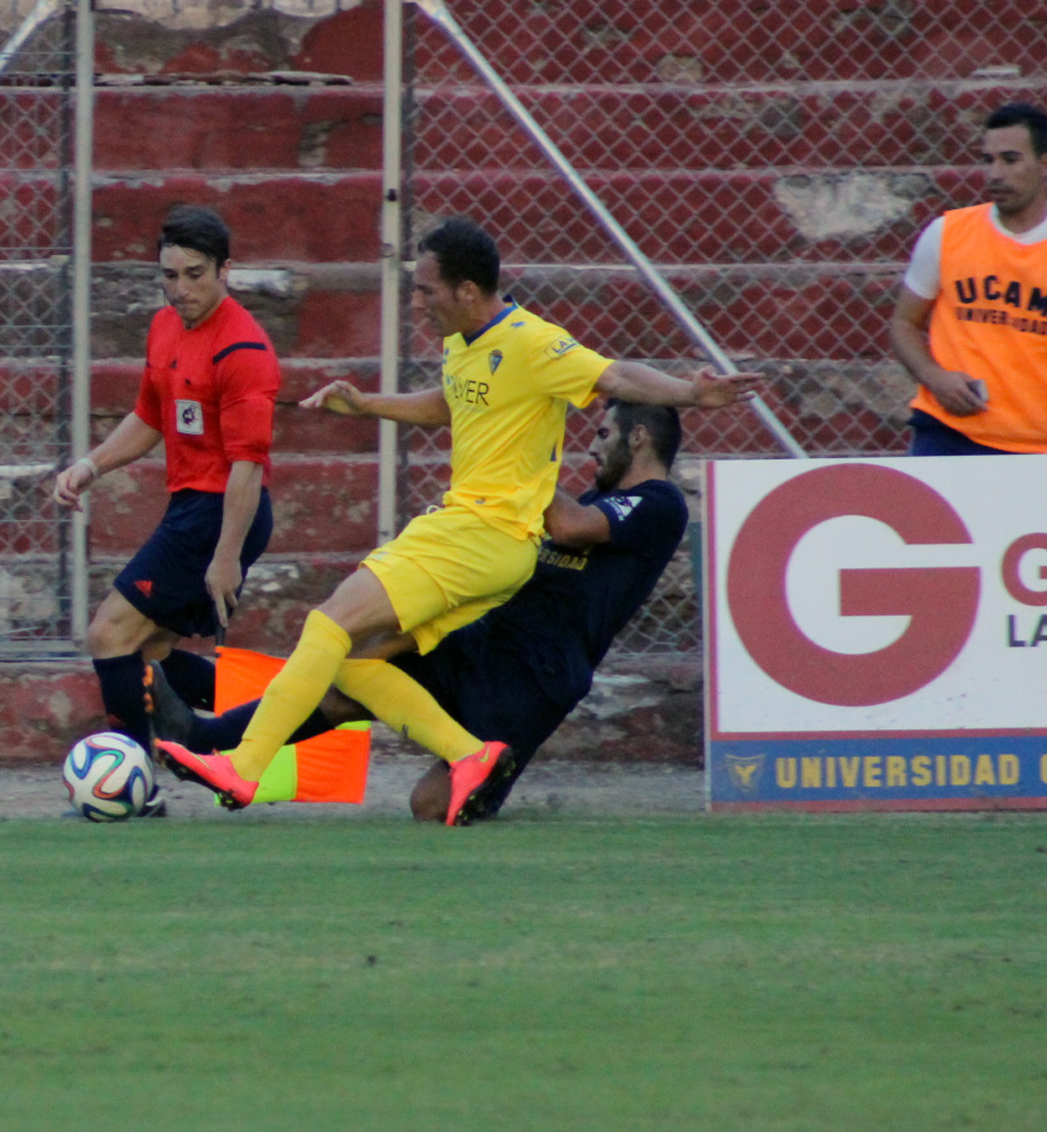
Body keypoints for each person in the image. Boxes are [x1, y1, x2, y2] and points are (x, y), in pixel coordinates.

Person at [156, 217, 761, 826]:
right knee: (356, 661)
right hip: (484, 544)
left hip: (479, 535)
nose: (417, 302)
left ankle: (243, 767)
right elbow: (450, 404)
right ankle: (467, 753)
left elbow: (616, 375)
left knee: (329, 622)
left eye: (426, 290)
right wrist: (368, 404)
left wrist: (691, 392)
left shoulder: (532, 342)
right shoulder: (462, 345)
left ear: (468, 292)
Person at [152, 401, 690, 822]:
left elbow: (567, 528)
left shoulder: (660, 504)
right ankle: (209, 738)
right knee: (350, 675)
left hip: (535, 675)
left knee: (428, 807)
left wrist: (521, 453)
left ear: (638, 437)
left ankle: (472, 762)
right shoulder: (594, 499)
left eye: (603, 435)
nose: (593, 449)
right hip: (485, 636)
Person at [53, 205, 280, 761]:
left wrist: (226, 556)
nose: (179, 289)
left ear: (226, 271)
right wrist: (91, 465)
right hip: (190, 508)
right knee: (149, 647)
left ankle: (132, 779)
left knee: (109, 634)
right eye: (169, 275)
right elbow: (151, 417)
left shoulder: (244, 351)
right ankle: (289, 708)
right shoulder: (164, 328)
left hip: (220, 511)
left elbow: (247, 468)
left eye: (194, 274)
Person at [888, 101, 1047, 455]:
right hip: (950, 434)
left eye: (1010, 159)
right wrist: (934, 378)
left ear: (1044, 163)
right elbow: (904, 324)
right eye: (987, 160)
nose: (995, 173)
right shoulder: (947, 233)